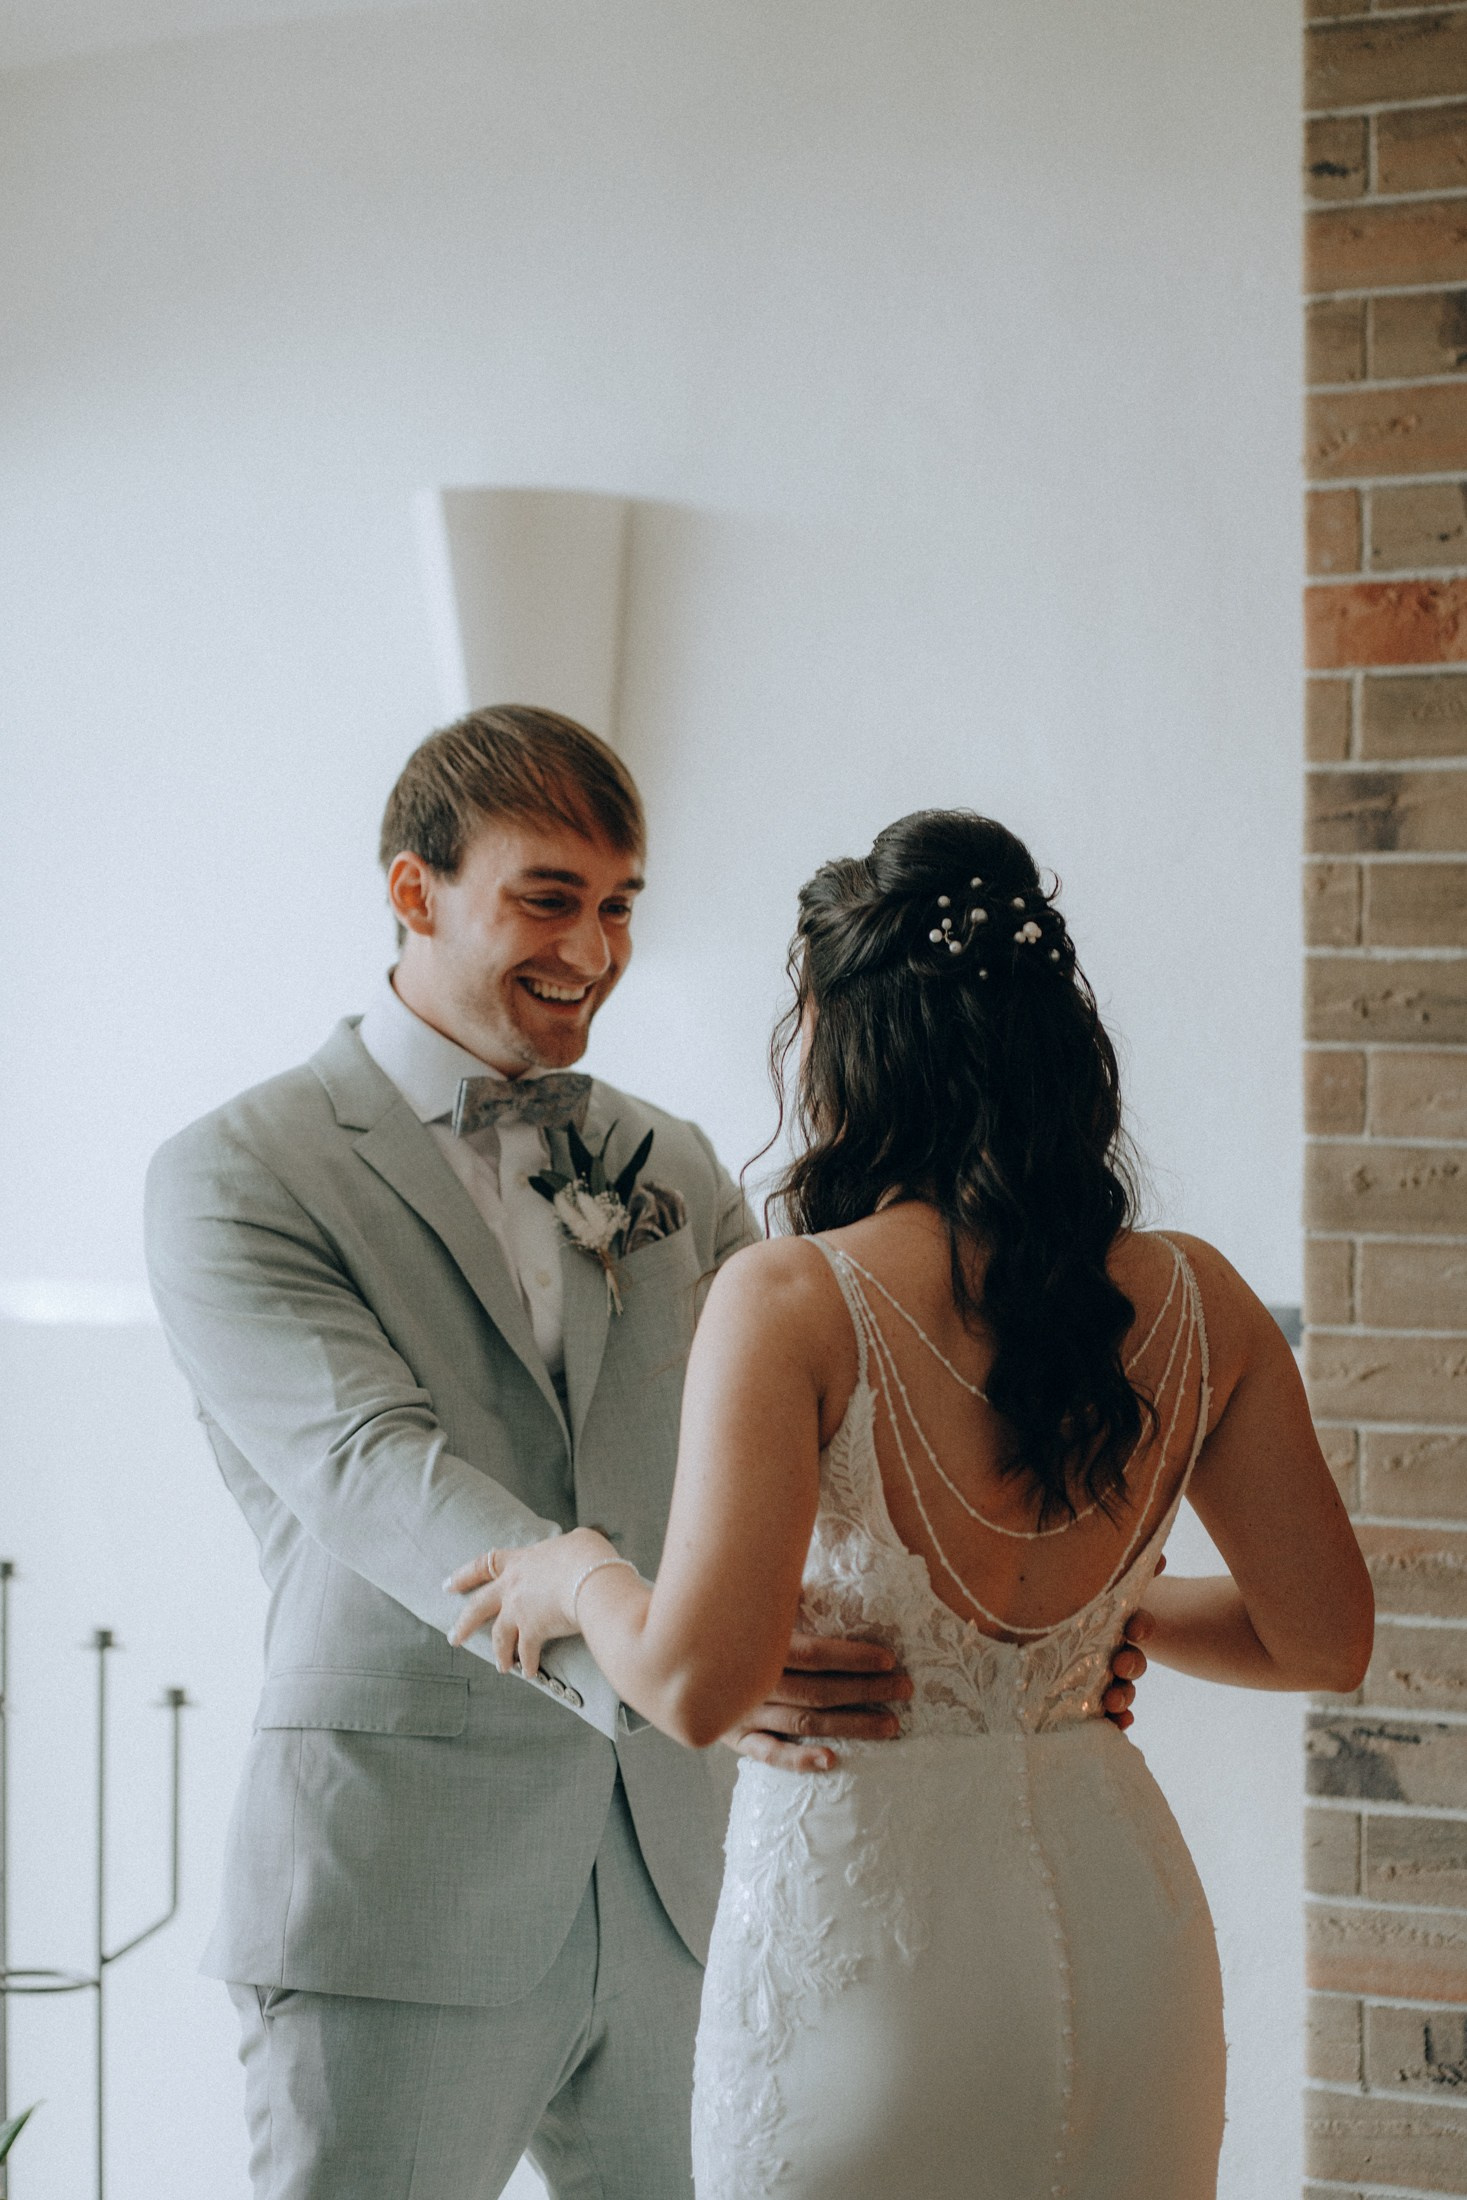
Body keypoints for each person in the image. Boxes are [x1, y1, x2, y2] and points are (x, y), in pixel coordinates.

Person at [147, 714, 1147, 2200]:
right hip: (404, 1894)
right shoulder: (239, 1171)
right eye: (548, 897)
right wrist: (682, 1664)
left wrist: (1035, 1627)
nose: (595, 947)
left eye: (621, 904)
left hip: (696, 1883)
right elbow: (372, 1468)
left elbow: (847, 1431)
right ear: (413, 891)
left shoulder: (670, 1165)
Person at [448, 806, 1375, 2200]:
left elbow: (698, 1687)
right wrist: (1126, 1612)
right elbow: (1323, 1640)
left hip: (871, 1948)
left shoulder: (795, 1294)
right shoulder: (1199, 1295)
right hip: (1128, 1936)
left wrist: (573, 1573)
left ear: (839, 1042)